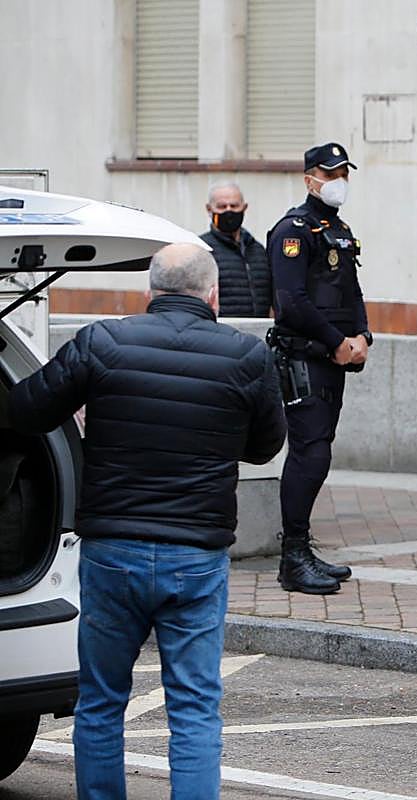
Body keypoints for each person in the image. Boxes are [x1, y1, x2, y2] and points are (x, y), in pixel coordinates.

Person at [8, 243, 286, 800]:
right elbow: (266, 446)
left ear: (149, 292)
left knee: (102, 701)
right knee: (194, 708)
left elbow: (24, 411)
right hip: (196, 559)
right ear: (214, 294)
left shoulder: (103, 342)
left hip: (114, 553)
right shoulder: (247, 356)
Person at [268, 142, 371, 595]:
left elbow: (353, 291)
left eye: (343, 173)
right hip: (305, 357)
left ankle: (302, 550)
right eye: (329, 175)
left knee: (319, 450)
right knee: (311, 453)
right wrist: (337, 341)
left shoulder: (339, 229)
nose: (337, 182)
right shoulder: (293, 230)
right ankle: (293, 557)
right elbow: (291, 302)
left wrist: (365, 336)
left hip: (334, 359)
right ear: (309, 178)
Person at [199, 182, 272, 317]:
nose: (229, 211)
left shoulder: (257, 249)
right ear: (209, 209)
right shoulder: (201, 250)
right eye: (222, 206)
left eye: (234, 206)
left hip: (258, 331)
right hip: (220, 333)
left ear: (244, 208)